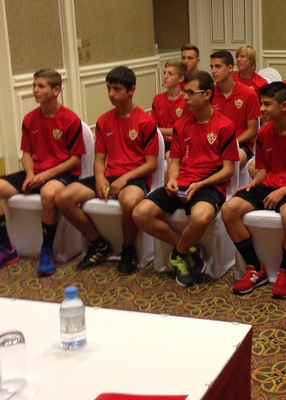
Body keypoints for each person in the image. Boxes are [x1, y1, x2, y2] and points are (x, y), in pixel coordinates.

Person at [133, 71, 238, 286]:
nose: (185, 98)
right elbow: (175, 162)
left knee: (200, 218)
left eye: (190, 93)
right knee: (139, 213)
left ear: (207, 94)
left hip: (210, 184)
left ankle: (177, 254)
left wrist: (200, 184)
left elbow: (228, 170)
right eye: (184, 93)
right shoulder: (181, 125)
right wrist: (172, 179)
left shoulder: (225, 125)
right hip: (182, 183)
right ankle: (185, 248)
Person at [0, 68, 86, 277]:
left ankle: (46, 251)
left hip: (63, 172)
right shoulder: (29, 119)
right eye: (34, 86)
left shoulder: (70, 120)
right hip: (35, 171)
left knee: (48, 193)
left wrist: (47, 175)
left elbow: (75, 159)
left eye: (41, 86)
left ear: (55, 90)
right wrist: (30, 174)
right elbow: (26, 153)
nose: (35, 90)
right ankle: (6, 249)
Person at [56, 66, 159, 274]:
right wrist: (100, 177)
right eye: (109, 88)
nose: (111, 94)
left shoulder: (145, 121)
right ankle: (98, 243)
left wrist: (124, 178)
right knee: (63, 198)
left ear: (131, 90)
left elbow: (151, 164)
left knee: (130, 202)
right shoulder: (104, 121)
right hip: (110, 175)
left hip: (134, 176)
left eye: (117, 89)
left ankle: (128, 250)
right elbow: (99, 159)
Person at [222, 81, 286, 298]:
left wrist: (283, 192)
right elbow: (265, 169)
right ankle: (255, 268)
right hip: (269, 185)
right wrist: (253, 183)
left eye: (267, 104)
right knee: (229, 210)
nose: (262, 109)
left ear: (284, 106)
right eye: (261, 104)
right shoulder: (264, 133)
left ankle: (285, 271)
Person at [210, 50, 260, 166]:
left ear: (230, 68)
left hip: (241, 144)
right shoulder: (209, 94)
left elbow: (252, 130)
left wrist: (232, 143)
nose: (213, 71)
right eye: (212, 67)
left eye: (218, 67)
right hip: (213, 143)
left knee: (228, 162)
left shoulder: (248, 94)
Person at [151, 60, 187, 154]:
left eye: (170, 74)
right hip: (160, 142)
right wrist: (169, 132)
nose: (165, 76)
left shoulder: (186, 100)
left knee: (170, 157)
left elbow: (183, 131)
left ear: (180, 78)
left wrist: (160, 131)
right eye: (164, 73)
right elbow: (152, 128)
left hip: (180, 142)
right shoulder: (157, 99)